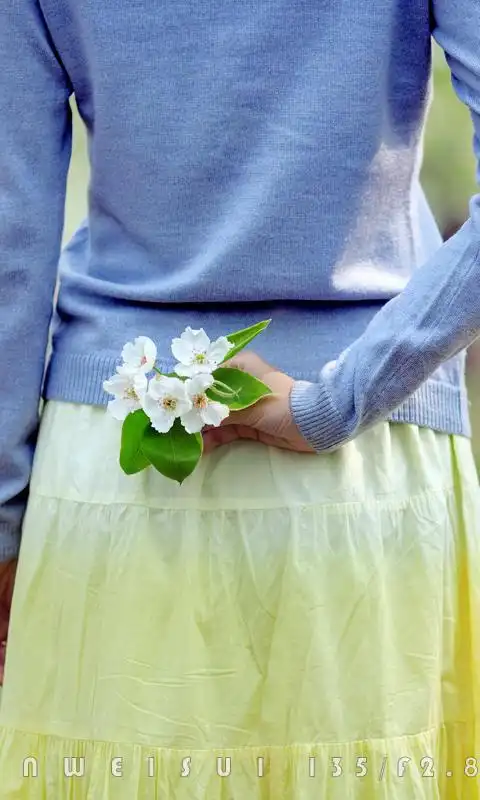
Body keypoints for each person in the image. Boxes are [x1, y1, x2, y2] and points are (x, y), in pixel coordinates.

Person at [0, 0, 479, 796]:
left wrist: (4, 518)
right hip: (371, 470)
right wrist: (338, 400)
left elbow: (10, 243)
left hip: (114, 467)